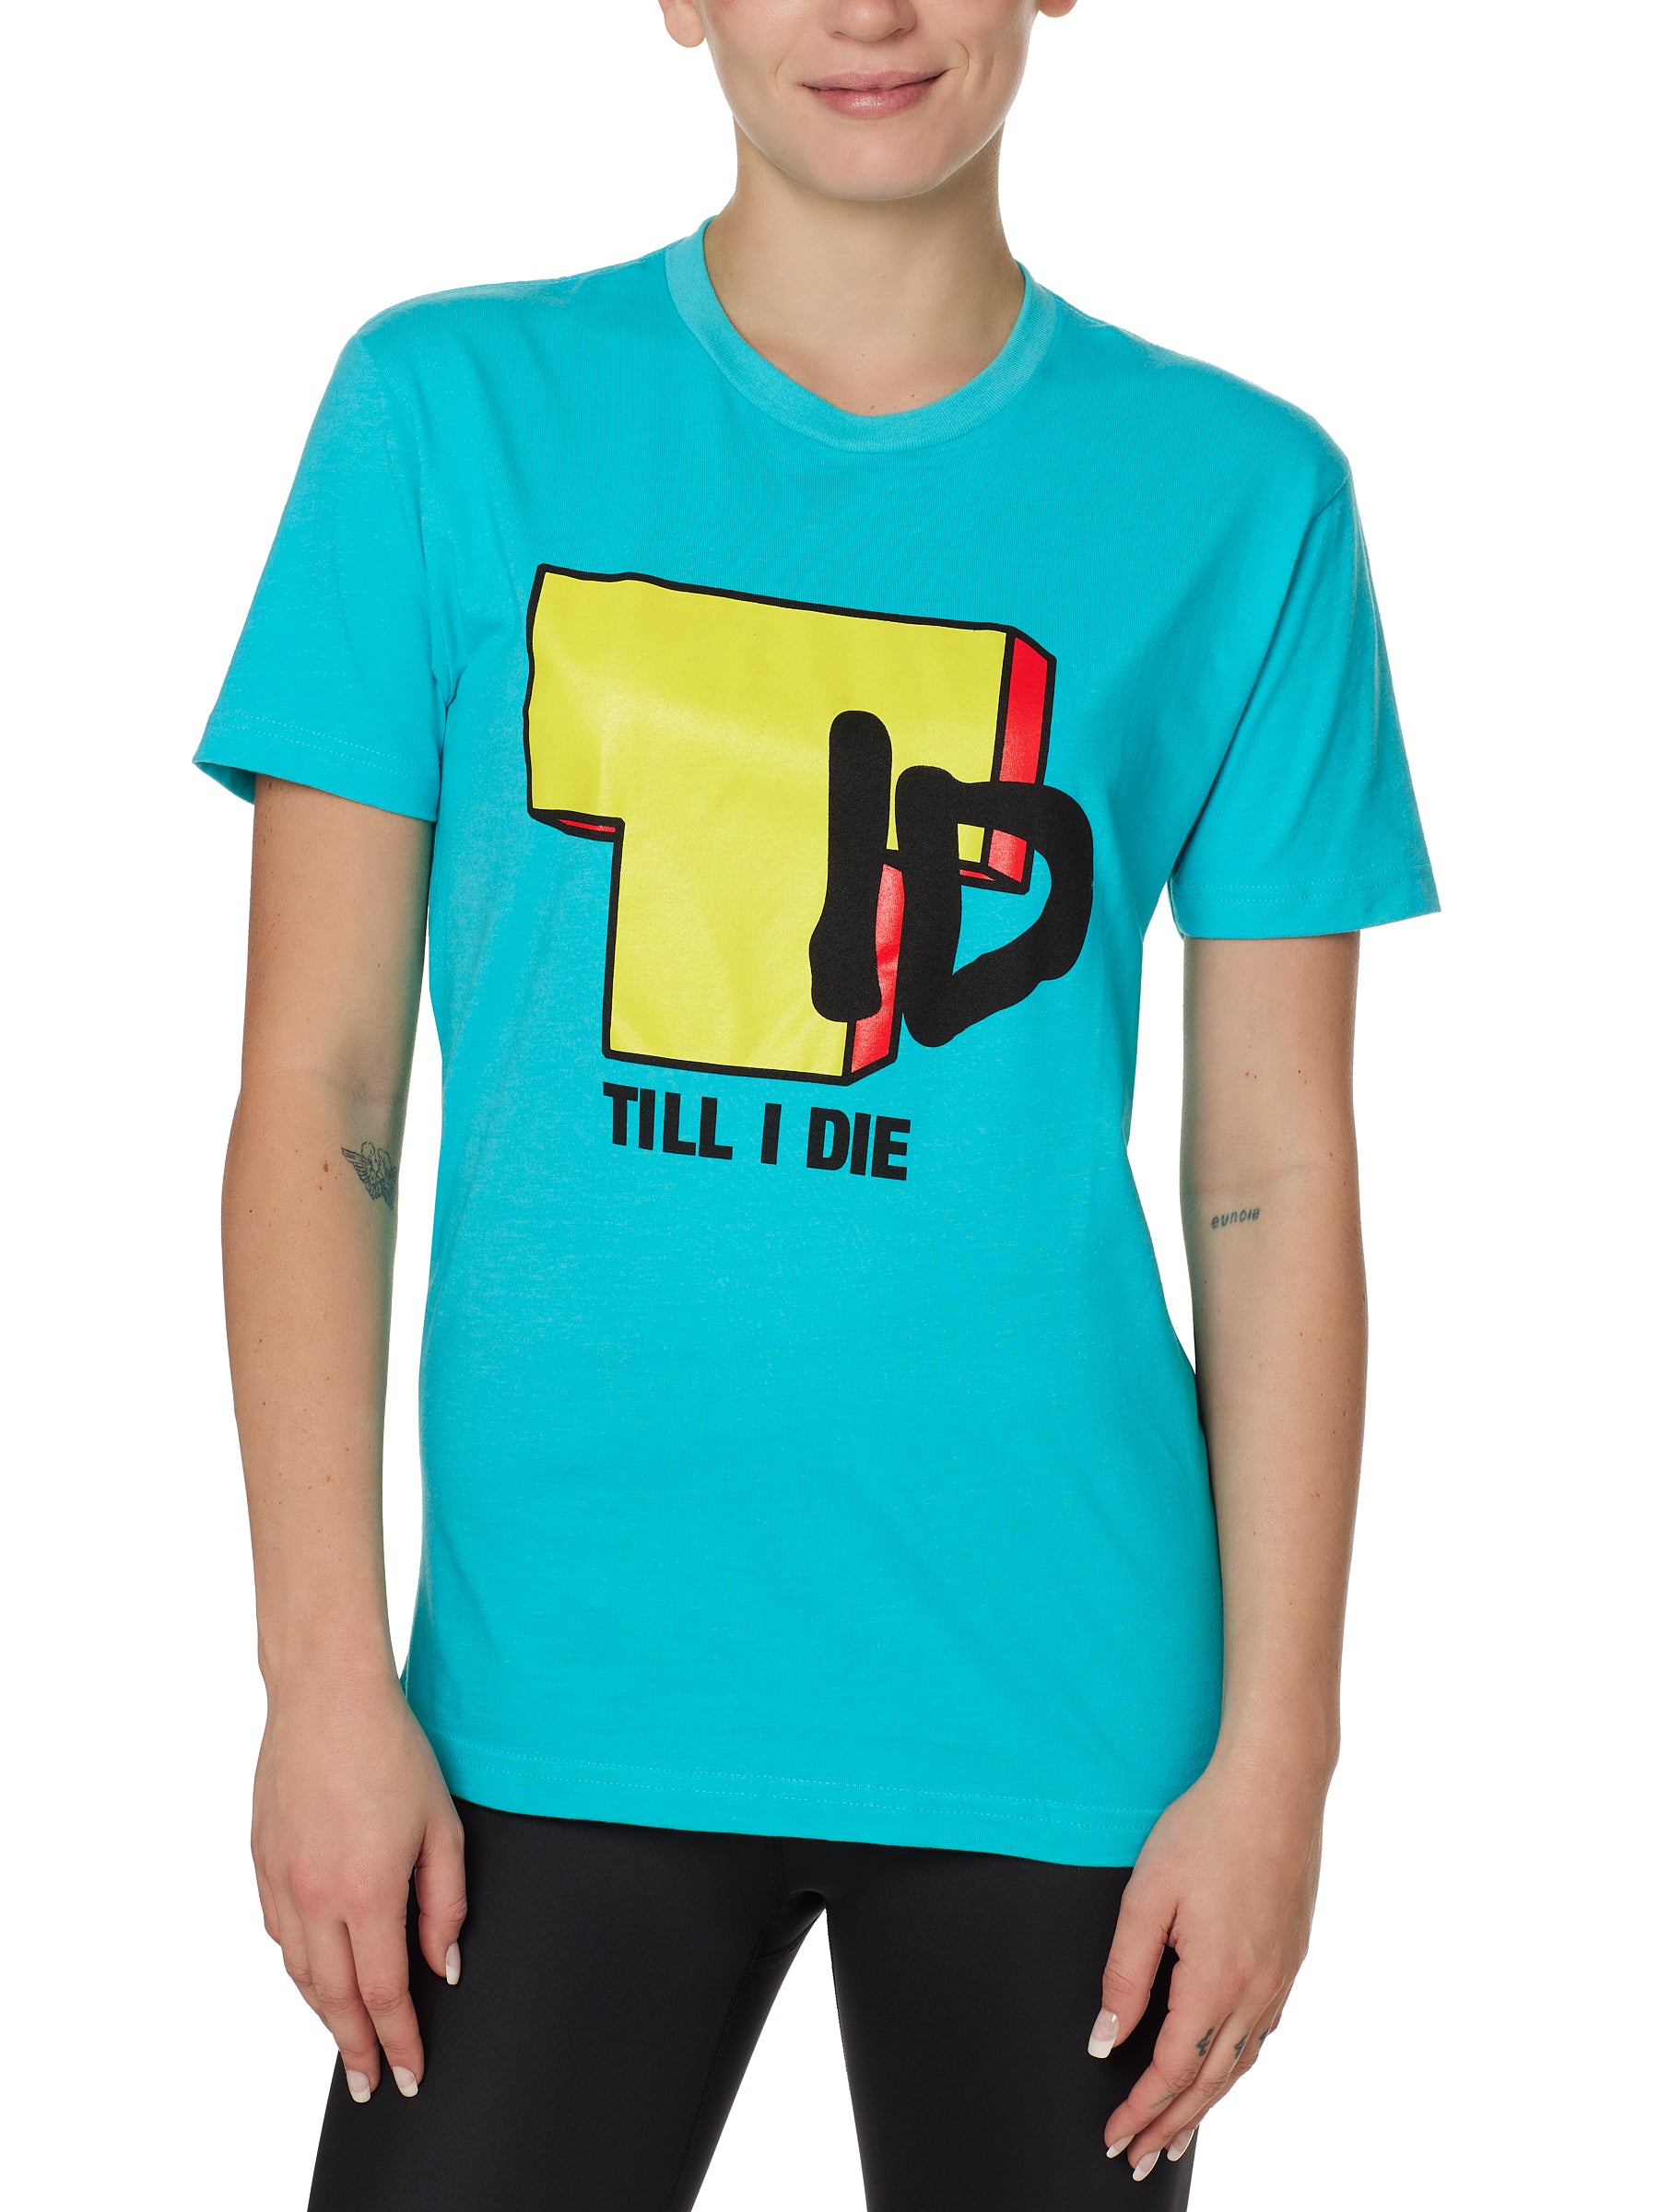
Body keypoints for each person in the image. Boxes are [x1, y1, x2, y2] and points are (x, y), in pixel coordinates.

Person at [197, 4, 1437, 2205]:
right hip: (543, 1698)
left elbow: (1270, 1181)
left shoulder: (1245, 501)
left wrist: (1279, 1764)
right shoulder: (445, 417)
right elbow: (322, 1096)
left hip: (1065, 1714)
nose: (868, 13)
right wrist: (318, 1681)